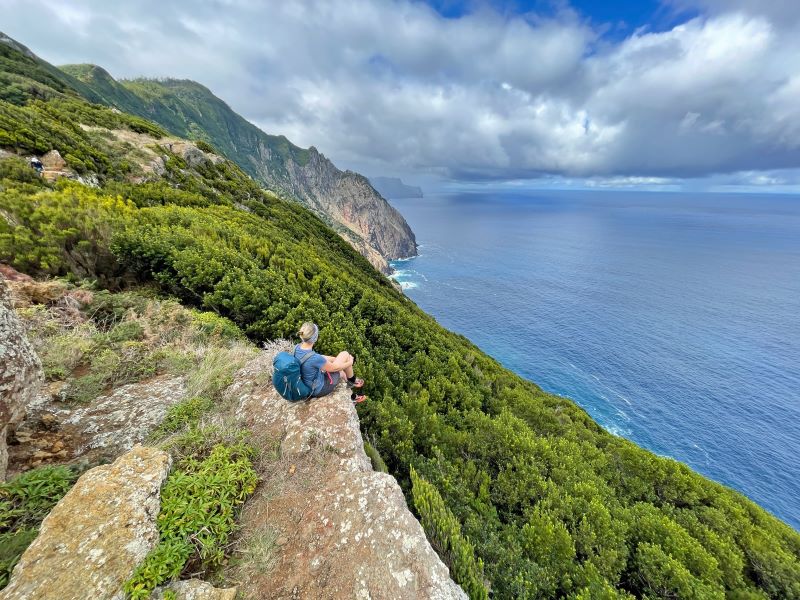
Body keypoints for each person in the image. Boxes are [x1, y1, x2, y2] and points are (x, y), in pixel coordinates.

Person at [294, 321, 366, 403]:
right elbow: (335, 368)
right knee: (345, 357)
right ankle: (352, 383)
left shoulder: (297, 348)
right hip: (319, 389)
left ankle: (352, 393)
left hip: (307, 383)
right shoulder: (314, 358)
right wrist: (350, 362)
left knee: (342, 363)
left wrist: (337, 359)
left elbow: (316, 358)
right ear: (315, 338)